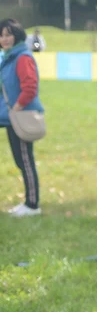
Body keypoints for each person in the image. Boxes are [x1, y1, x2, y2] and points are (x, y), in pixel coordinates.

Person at [0, 19, 44, 218]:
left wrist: (15, 109)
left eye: (8, 34)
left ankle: (33, 205)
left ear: (17, 35)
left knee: (26, 161)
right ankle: (28, 202)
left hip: (21, 117)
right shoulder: (8, 58)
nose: (4, 39)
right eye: (1, 35)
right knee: (21, 161)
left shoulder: (22, 57)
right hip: (12, 118)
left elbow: (30, 87)